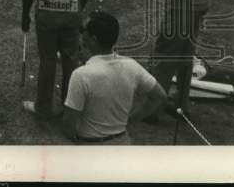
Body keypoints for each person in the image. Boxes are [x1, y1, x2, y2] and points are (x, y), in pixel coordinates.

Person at [62, 11, 167, 144]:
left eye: (83, 30)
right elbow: (160, 96)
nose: (81, 34)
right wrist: (129, 121)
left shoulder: (81, 75)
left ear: (93, 39)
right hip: (122, 143)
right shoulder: (132, 66)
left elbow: (68, 125)